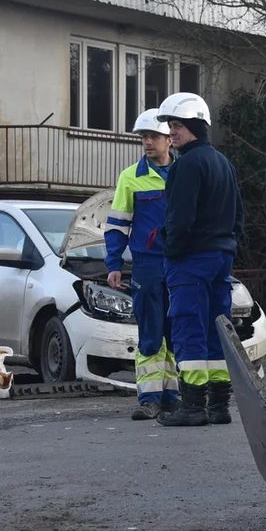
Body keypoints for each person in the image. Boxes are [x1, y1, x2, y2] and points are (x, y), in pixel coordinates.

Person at [154, 92, 245, 427]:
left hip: (190, 259)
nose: (171, 133)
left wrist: (172, 253)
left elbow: (180, 219)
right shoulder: (224, 163)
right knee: (215, 330)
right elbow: (238, 215)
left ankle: (193, 407)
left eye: (176, 126)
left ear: (193, 126)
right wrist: (229, 245)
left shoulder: (186, 166)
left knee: (187, 327)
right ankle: (219, 406)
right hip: (221, 257)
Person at [104, 108, 180, 420]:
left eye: (153, 136)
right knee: (151, 332)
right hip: (148, 265)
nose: (147, 142)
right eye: (144, 137)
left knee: (178, 331)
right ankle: (149, 398)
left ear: (169, 140)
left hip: (180, 263)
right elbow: (117, 225)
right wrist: (113, 263)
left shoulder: (185, 172)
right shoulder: (130, 178)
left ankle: (174, 396)